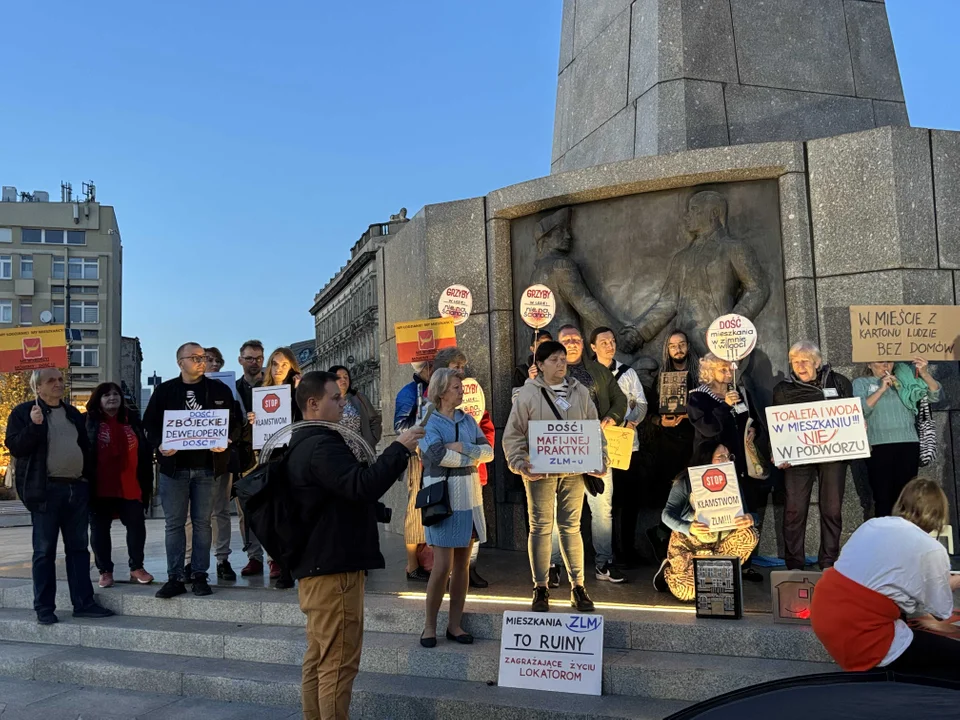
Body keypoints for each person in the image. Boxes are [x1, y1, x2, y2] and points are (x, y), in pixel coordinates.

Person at [287, 371, 424, 719]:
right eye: (335, 397)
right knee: (338, 662)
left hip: (318, 563)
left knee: (319, 657)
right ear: (312, 403)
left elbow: (343, 493)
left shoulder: (301, 442)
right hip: (335, 568)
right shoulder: (321, 444)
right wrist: (399, 448)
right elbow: (361, 485)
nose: (343, 401)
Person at [811, 478, 960, 681]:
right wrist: (954, 581)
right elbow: (941, 611)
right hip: (862, 631)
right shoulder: (931, 549)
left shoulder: (873, 524)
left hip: (824, 612)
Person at [4, 368, 114, 624]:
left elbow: (85, 449)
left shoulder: (73, 413)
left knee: (78, 549)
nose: (58, 384)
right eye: (51, 380)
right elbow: (16, 447)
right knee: (44, 551)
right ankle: (44, 608)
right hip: (46, 491)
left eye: (60, 379)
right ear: (38, 387)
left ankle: (83, 602)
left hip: (76, 489)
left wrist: (87, 480)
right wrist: (34, 425)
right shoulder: (24, 412)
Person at [503, 340, 604, 613]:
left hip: (573, 471)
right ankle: (540, 587)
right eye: (554, 360)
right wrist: (519, 463)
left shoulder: (580, 391)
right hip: (540, 473)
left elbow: (594, 428)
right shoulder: (527, 394)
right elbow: (512, 434)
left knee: (572, 528)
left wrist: (600, 459)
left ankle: (578, 587)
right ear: (540, 365)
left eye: (563, 359)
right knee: (540, 527)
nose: (561, 364)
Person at [143, 342, 240, 599]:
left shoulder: (219, 390)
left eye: (203, 357)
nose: (200, 361)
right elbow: (149, 425)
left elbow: (236, 421)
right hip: (173, 470)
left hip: (206, 468)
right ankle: (175, 576)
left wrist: (227, 439)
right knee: (174, 524)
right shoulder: (165, 391)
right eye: (194, 357)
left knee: (202, 523)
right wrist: (160, 444)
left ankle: (199, 574)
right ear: (180, 362)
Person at [621, 190, 770, 358]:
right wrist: (639, 333)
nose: (687, 216)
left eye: (694, 210)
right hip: (685, 348)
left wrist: (731, 326)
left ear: (713, 213)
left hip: (722, 345)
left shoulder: (734, 249)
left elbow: (758, 289)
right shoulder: (681, 258)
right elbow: (668, 302)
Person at [418, 368, 493, 647]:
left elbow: (489, 452)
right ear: (440, 391)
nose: (462, 391)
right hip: (444, 499)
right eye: (456, 387)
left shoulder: (469, 420)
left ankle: (455, 625)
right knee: (441, 566)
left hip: (470, 499)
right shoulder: (429, 420)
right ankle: (428, 626)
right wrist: (470, 457)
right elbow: (435, 456)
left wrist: (460, 446)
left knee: (463, 564)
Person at [555, 324, 627, 585]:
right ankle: (554, 564)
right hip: (562, 452)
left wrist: (612, 417)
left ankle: (604, 564)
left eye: (576, 339)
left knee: (601, 508)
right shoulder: (549, 372)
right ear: (558, 343)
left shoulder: (599, 371)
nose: (572, 343)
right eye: (566, 339)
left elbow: (621, 400)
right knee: (559, 510)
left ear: (583, 344)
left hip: (597, 448)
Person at [772, 341, 852, 571]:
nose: (799, 366)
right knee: (794, 510)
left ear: (817, 362)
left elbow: (851, 414)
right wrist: (777, 451)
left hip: (833, 454)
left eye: (805, 360)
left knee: (832, 509)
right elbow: (774, 424)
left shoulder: (839, 382)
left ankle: (829, 562)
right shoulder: (783, 389)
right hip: (797, 457)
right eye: (795, 362)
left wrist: (858, 424)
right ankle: (794, 565)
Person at [655, 442, 760, 601]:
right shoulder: (685, 482)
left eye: (729, 456)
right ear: (706, 459)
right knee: (689, 592)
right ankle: (668, 572)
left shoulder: (731, 482)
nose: (727, 460)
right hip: (690, 544)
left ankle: (716, 574)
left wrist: (751, 518)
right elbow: (666, 515)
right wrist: (689, 527)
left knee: (750, 534)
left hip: (720, 545)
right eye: (721, 457)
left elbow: (748, 514)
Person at [432, 346, 495, 589]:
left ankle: (471, 567)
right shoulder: (431, 411)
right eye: (455, 366)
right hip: (443, 480)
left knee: (473, 528)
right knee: (446, 534)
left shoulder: (471, 403)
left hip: (473, 474)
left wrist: (466, 448)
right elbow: (436, 454)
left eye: (462, 366)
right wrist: (473, 453)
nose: (461, 371)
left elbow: (486, 431)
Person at [588, 326, 648, 567]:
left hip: (625, 444)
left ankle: (628, 548)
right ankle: (606, 551)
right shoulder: (586, 374)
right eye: (603, 342)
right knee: (603, 502)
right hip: (597, 447)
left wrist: (634, 420)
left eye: (612, 341)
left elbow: (641, 403)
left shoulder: (628, 373)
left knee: (628, 499)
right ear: (592, 347)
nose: (609, 345)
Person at [86, 382, 155, 588]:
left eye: (116, 394)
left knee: (136, 527)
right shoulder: (87, 422)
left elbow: (144, 452)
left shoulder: (133, 421)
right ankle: (105, 571)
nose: (112, 398)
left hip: (131, 485)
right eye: (106, 395)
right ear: (98, 399)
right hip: (100, 487)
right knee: (99, 530)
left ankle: (137, 568)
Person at [853, 358, 941, 518]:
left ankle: (904, 537)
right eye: (879, 362)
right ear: (869, 364)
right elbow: (858, 410)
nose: (885, 366)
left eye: (889, 361)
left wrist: (923, 372)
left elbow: (934, 394)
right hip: (878, 445)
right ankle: (886, 539)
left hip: (908, 443)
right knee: (883, 498)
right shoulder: (862, 383)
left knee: (906, 499)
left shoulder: (905, 378)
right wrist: (880, 390)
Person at [249, 346, 303, 588]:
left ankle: (294, 562)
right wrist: (251, 420)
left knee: (292, 513)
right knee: (273, 514)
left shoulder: (300, 391)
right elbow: (254, 434)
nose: (279, 368)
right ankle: (279, 562)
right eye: (274, 364)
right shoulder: (261, 392)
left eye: (284, 364)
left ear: (291, 366)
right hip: (271, 458)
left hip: (294, 456)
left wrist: (302, 393)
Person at [642, 331, 699, 559]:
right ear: (668, 350)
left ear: (688, 347)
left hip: (694, 442)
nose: (678, 349)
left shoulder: (699, 375)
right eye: (673, 345)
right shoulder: (661, 378)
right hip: (667, 445)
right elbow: (651, 412)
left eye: (682, 344)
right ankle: (663, 538)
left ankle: (664, 536)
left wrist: (690, 416)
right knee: (671, 495)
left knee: (692, 494)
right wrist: (660, 420)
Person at [530, 207, 620, 335]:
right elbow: (585, 305)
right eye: (561, 231)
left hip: (546, 345)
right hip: (569, 343)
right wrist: (618, 333)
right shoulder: (561, 265)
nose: (568, 236)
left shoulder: (536, 272)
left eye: (568, 230)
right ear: (546, 238)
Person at [394, 360, 433, 581]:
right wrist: (422, 417)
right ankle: (412, 565)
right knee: (415, 511)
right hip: (415, 455)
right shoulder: (409, 392)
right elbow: (399, 426)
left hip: (433, 454)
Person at [235, 339, 265, 577]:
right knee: (247, 510)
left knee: (274, 506)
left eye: (258, 358)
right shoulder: (232, 390)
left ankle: (276, 556)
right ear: (240, 360)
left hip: (272, 453)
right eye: (249, 358)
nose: (254, 363)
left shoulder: (274, 385)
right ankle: (254, 556)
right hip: (245, 456)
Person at [329, 365, 382, 450]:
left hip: (362, 453)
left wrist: (372, 439)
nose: (343, 380)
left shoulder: (360, 398)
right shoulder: (326, 401)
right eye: (339, 377)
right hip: (337, 453)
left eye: (346, 377)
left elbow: (375, 419)